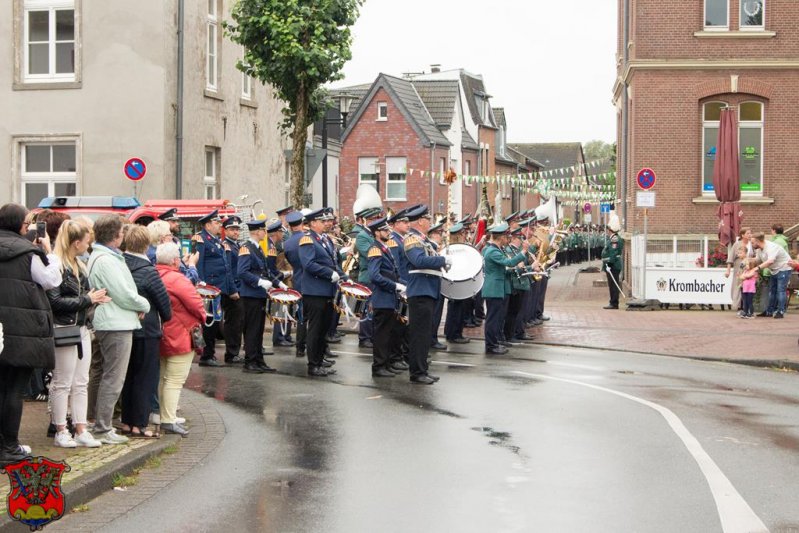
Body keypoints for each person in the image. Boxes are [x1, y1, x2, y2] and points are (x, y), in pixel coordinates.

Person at [0, 203, 62, 465]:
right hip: (21, 330)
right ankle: (10, 447)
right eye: (27, 222)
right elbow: (51, 281)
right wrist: (51, 253)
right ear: (20, 226)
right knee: (14, 391)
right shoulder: (29, 252)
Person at [87, 215, 151, 445]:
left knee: (107, 375)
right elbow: (122, 293)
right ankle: (102, 428)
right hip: (114, 323)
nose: (123, 236)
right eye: (121, 233)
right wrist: (143, 305)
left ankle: (99, 424)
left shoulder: (106, 256)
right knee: (113, 378)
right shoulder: (106, 260)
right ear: (115, 236)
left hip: (115, 320)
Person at [47, 220, 110, 448]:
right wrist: (88, 299)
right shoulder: (57, 266)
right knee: (62, 381)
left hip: (80, 328)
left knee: (80, 381)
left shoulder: (77, 265)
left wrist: (94, 301)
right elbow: (54, 301)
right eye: (86, 241)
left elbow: (74, 300)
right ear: (76, 243)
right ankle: (61, 429)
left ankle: (80, 427)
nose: (88, 245)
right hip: (64, 329)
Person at [121, 225, 172, 438]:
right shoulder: (148, 271)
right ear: (146, 245)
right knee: (145, 378)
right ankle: (139, 425)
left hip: (124, 326)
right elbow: (165, 307)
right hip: (147, 329)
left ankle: (126, 422)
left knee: (129, 376)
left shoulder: (120, 265)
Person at [155, 242, 204, 437]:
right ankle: (168, 419)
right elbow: (197, 305)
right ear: (175, 260)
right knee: (175, 380)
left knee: (163, 377)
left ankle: (162, 415)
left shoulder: (155, 274)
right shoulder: (177, 279)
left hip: (162, 333)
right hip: (180, 334)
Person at [402, 205, 449, 384]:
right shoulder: (412, 240)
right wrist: (443, 260)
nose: (430, 222)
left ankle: (423, 369)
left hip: (428, 289)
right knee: (419, 335)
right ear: (421, 221)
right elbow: (419, 260)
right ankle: (417, 372)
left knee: (424, 334)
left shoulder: (424, 240)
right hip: (420, 291)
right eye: (428, 219)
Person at [298, 209, 343, 377]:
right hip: (315, 291)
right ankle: (313, 365)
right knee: (315, 330)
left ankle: (319, 361)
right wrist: (329, 274)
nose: (326, 224)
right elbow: (308, 264)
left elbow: (332, 262)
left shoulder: (324, 240)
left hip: (326, 291)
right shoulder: (307, 239)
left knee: (323, 329)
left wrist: (344, 277)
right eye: (322, 221)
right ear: (313, 223)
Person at [237, 219, 284, 374]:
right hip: (250, 295)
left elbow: (266, 272)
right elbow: (242, 272)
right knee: (252, 329)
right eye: (263, 230)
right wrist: (259, 282)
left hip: (258, 295)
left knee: (258, 329)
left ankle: (258, 360)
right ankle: (250, 361)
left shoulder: (258, 248)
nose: (265, 232)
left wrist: (278, 284)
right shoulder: (246, 248)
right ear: (257, 231)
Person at [195, 210, 237, 367]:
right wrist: (201, 285)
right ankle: (207, 355)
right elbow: (199, 264)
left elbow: (226, 267)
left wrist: (231, 289)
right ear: (207, 225)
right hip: (209, 289)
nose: (220, 225)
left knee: (216, 321)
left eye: (220, 223)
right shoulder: (201, 240)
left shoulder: (217, 241)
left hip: (220, 288)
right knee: (210, 323)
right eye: (217, 223)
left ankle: (210, 354)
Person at [366, 217, 405, 377]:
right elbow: (374, 276)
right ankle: (379, 366)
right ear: (377, 232)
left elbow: (391, 272)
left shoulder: (384, 247)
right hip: (382, 298)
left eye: (388, 229)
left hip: (389, 298)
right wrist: (394, 286)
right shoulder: (375, 249)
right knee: (381, 335)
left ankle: (386, 363)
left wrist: (403, 284)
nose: (388, 232)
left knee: (388, 333)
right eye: (385, 230)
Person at [482, 223, 528, 355]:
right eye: (505, 236)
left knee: (496, 319)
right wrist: (523, 252)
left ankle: (494, 342)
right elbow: (508, 263)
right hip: (493, 289)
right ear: (500, 237)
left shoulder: (496, 249)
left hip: (496, 288)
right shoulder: (492, 251)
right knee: (492, 319)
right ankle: (490, 345)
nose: (507, 239)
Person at [220, 216, 245, 364]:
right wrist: (232, 290)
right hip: (232, 289)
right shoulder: (226, 246)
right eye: (232, 229)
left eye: (237, 229)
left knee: (239, 321)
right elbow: (227, 269)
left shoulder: (237, 245)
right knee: (233, 322)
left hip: (239, 287)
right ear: (226, 230)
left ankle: (235, 350)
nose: (235, 232)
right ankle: (231, 353)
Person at [283, 211, 307, 358]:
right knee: (316, 318)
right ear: (302, 224)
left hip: (297, 280)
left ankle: (300, 347)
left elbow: (290, 262)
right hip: (311, 280)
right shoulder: (307, 238)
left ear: (291, 227)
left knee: (301, 316)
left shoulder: (287, 243)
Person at [752, 232, 792, 319]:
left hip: (784, 268)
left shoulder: (771, 247)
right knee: (772, 291)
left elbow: (770, 261)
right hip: (774, 270)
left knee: (780, 290)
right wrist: (747, 260)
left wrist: (757, 269)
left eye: (752, 242)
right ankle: (769, 311)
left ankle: (780, 311)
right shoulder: (759, 249)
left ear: (758, 241)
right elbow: (758, 260)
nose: (752, 244)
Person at [725, 227, 753, 314]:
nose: (750, 235)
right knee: (738, 287)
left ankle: (746, 308)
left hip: (749, 270)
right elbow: (730, 258)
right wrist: (728, 271)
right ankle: (739, 307)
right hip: (739, 270)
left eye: (750, 233)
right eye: (748, 233)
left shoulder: (751, 244)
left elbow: (754, 256)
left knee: (748, 288)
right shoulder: (737, 245)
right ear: (743, 235)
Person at [601, 213, 623, 310]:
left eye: (608, 229)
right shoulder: (613, 238)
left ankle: (614, 302)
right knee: (612, 284)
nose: (607, 231)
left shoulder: (614, 239)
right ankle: (613, 301)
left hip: (613, 265)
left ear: (611, 230)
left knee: (613, 284)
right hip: (611, 265)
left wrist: (609, 263)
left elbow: (613, 253)